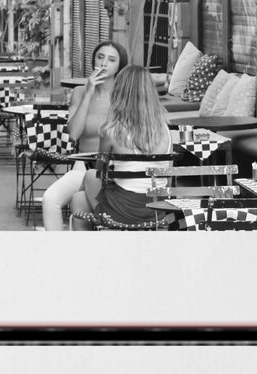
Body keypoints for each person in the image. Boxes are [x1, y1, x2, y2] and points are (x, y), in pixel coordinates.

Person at [39, 41, 128, 231]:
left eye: (111, 60)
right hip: (83, 165)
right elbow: (74, 133)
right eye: (100, 57)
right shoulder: (79, 92)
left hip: (116, 168)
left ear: (119, 66)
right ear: (93, 60)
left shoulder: (124, 95)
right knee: (50, 199)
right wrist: (88, 92)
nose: (104, 63)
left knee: (84, 207)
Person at [70, 64, 172, 230]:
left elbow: (101, 173)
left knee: (85, 184)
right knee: (79, 198)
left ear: (119, 93)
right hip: (156, 211)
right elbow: (167, 180)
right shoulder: (165, 130)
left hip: (123, 212)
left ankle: (93, 249)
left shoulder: (111, 130)